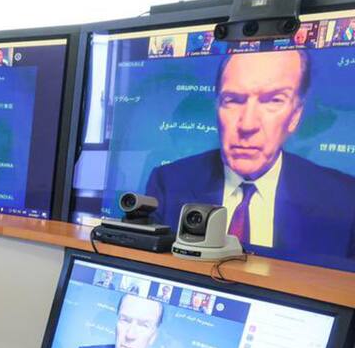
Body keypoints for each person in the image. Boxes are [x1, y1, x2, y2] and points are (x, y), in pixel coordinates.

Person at [146, 50, 355, 260]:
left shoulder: (344, 199)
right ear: (217, 107)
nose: (247, 124)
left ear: (295, 114)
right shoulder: (168, 183)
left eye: (273, 100)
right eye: (233, 100)